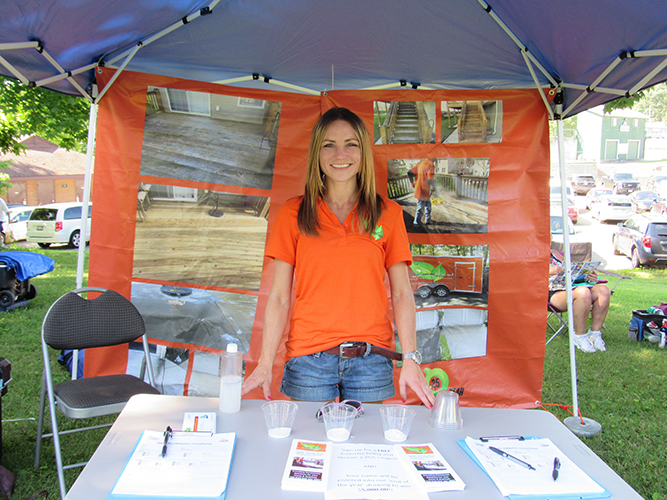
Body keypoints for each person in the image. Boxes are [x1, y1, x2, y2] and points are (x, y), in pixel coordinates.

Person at [242, 107, 434, 407]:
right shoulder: (293, 213)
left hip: (371, 358)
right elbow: (279, 297)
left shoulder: (389, 213)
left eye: (351, 144)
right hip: (308, 359)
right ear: (317, 153)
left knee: (364, 450)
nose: (339, 153)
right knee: (308, 452)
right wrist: (265, 362)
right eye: (328, 145)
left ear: (363, 153)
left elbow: (401, 293)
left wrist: (410, 358)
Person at [549, 249, 610, 352]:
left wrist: (588, 276)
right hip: (551, 293)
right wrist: (548, 272)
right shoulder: (529, 254)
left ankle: (594, 334)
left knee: (603, 290)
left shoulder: (554, 253)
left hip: (571, 287)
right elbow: (525, 278)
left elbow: (571, 271)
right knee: (583, 292)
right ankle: (579, 336)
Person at [408, 159, 435, 228]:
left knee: (428, 204)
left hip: (421, 190)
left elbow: (409, 172)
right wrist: (434, 186)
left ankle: (428, 220)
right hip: (423, 190)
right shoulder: (430, 165)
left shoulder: (420, 163)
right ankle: (416, 223)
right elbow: (430, 180)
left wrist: (412, 183)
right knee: (420, 207)